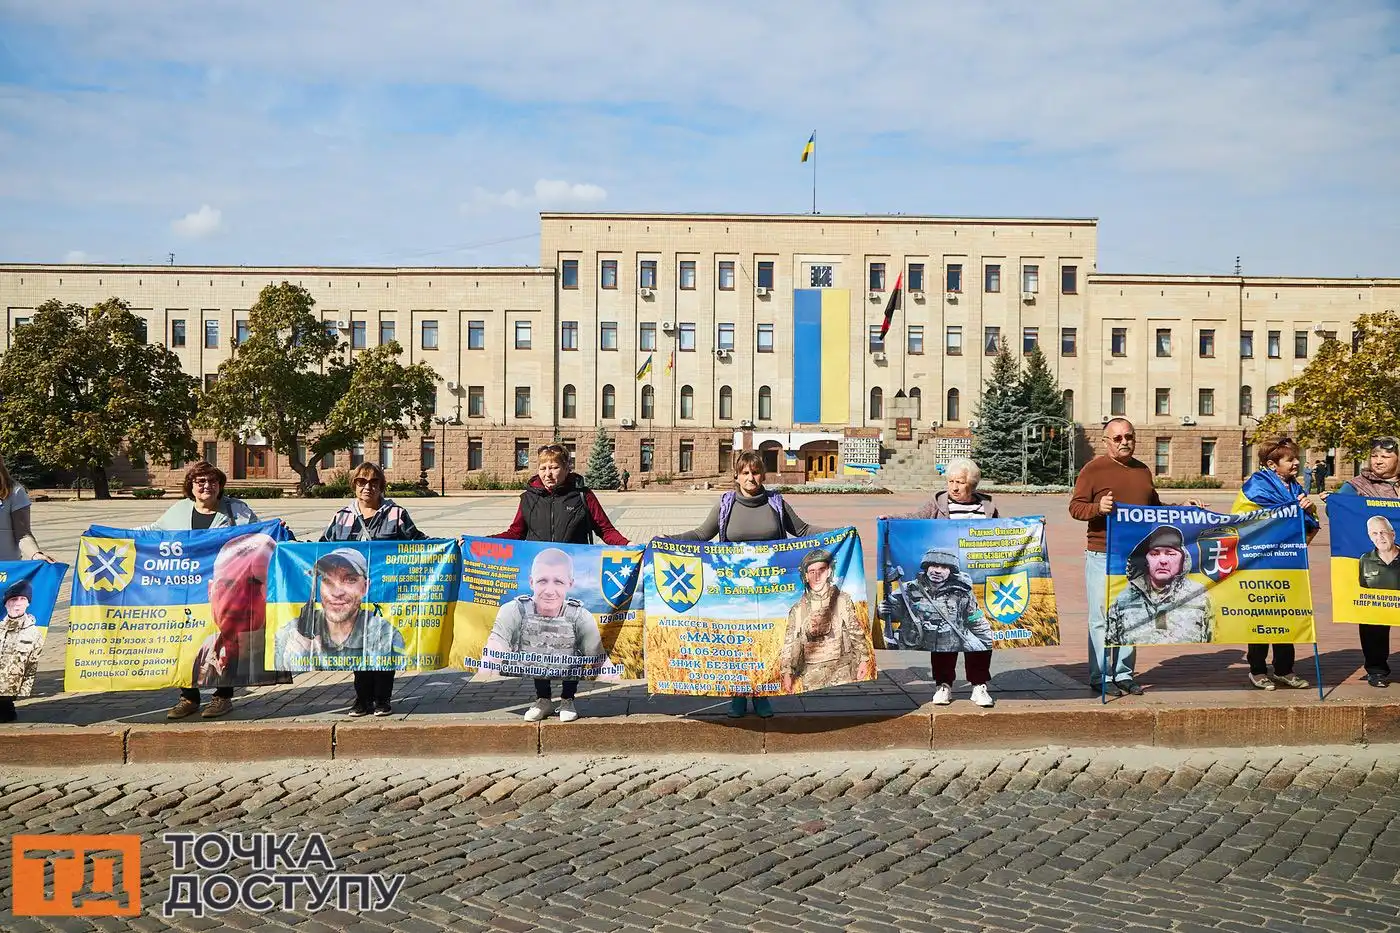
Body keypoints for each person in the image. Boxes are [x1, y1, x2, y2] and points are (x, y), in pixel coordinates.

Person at [673, 449, 830, 718]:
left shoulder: (776, 503)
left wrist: (839, 532)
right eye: (745, 472)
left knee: (769, 641)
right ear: (737, 475)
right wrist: (671, 538)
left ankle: (762, 694)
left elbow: (802, 531)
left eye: (755, 472)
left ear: (763, 475)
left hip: (771, 588)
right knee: (739, 643)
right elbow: (701, 534)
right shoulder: (725, 504)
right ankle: (737, 694)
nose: (751, 477)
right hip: (734, 589)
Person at [1069, 418, 1205, 697]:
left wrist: (1182, 508)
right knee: (1102, 617)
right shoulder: (1093, 470)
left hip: (1138, 557)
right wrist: (1098, 507)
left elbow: (1153, 509)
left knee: (1132, 614)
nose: (1124, 442)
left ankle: (1123, 674)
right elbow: (1075, 507)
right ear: (1106, 441)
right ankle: (1100, 675)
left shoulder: (1142, 470)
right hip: (1102, 554)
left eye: (1128, 437)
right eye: (1117, 438)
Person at [494, 444, 627, 723]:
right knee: (538, 638)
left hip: (570, 577)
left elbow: (605, 530)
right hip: (542, 580)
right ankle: (542, 698)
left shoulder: (582, 496)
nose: (548, 473)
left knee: (568, 639)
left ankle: (568, 698)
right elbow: (515, 531)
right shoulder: (528, 498)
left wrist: (629, 546)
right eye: (543, 468)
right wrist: (481, 541)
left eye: (554, 467)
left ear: (567, 468)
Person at [879, 456, 999, 706]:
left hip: (968, 584)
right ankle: (944, 684)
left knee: (976, 636)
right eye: (951, 481)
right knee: (941, 635)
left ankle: (979, 684)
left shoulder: (987, 509)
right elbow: (913, 519)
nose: (954, 487)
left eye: (961, 482)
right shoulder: (937, 504)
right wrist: (890, 519)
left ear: (973, 485)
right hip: (936, 587)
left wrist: (1034, 528)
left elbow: (1002, 534)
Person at [147, 461, 262, 720]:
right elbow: (152, 534)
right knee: (187, 641)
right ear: (192, 486)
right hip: (187, 589)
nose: (206, 486)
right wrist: (113, 536)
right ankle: (188, 697)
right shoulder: (179, 511)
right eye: (200, 482)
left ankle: (223, 697)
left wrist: (281, 531)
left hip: (226, 589)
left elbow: (259, 534)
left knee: (225, 640)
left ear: (220, 485)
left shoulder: (236, 510)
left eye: (212, 481)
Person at [318, 461, 425, 716]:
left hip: (386, 592)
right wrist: (290, 545)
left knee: (382, 642)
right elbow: (322, 548)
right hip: (352, 595)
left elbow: (419, 543)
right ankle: (362, 698)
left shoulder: (396, 514)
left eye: (374, 482)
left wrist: (451, 546)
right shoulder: (342, 517)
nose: (368, 487)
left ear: (381, 486)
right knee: (358, 645)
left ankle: (383, 699)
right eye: (362, 482)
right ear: (354, 485)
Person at [1232, 435, 1317, 690]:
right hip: (1259, 562)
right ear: (1272, 465)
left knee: (1285, 615)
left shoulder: (1296, 489)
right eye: (1290, 460)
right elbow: (1240, 523)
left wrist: (1309, 510)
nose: (1295, 464)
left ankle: (1284, 669)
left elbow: (1307, 526)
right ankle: (1257, 669)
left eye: (1295, 459)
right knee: (1261, 615)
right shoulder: (1254, 488)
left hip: (1287, 562)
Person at [479, 548, 608, 683]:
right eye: (542, 581)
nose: (549, 591)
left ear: (570, 584)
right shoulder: (513, 611)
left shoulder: (580, 617)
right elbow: (494, 651)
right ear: (531, 582)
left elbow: (601, 662)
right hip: (518, 691)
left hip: (565, 693)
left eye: (558, 582)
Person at [1330, 437, 1400, 688]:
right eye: (1375, 456)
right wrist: (1333, 503)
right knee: (1375, 614)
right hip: (1376, 563)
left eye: (1385, 456)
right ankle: (1377, 669)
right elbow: (1336, 510)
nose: (1378, 460)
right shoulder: (1357, 485)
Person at [887, 547, 996, 707]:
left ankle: (978, 686)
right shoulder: (910, 589)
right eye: (934, 566)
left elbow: (974, 618)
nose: (938, 571)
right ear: (926, 568)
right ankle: (943, 686)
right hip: (925, 638)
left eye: (944, 567)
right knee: (942, 646)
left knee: (978, 647)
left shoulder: (962, 592)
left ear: (951, 571)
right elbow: (895, 613)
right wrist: (886, 609)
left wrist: (985, 640)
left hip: (957, 635)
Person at [275, 547, 404, 681]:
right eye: (328, 581)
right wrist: (296, 656)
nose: (337, 593)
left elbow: (394, 665)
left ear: (365, 587)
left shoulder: (385, 634)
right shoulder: (290, 634)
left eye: (349, 580)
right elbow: (281, 670)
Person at [0, 454, 54, 723]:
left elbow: (22, 534)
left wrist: (35, 555)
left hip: (5, 578)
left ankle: (4, 700)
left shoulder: (13, 491)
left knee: (6, 642)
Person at [191, 533, 280, 691]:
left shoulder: (284, 647)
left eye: (254, 584)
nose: (238, 602)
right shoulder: (205, 649)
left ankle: (223, 697)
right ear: (210, 590)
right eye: (227, 585)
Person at [779, 548, 873, 693]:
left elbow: (856, 632)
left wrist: (864, 660)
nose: (817, 576)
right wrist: (787, 672)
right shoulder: (797, 609)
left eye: (821, 570)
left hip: (842, 672)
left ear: (829, 571)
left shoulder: (842, 600)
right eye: (812, 572)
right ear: (806, 576)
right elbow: (790, 643)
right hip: (811, 676)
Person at [1105, 526, 1212, 647]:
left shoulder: (1199, 597)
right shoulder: (1124, 601)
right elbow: (1112, 642)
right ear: (1145, 560)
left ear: (1183, 559)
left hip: (1187, 664)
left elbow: (1212, 638)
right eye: (1155, 554)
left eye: (1170, 554)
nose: (1163, 561)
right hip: (1141, 665)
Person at [0, 579, 44, 721]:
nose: (18, 602)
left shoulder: (34, 632)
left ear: (28, 603)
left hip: (8, 691)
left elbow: (31, 665)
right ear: (6, 603)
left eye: (22, 598)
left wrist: (24, 690)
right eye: (13, 599)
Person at [1359, 516, 1400, 590]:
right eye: (1375, 533)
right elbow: (1362, 592)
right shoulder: (1365, 560)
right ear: (1370, 537)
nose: (1380, 537)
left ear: (1393, 534)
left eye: (1383, 532)